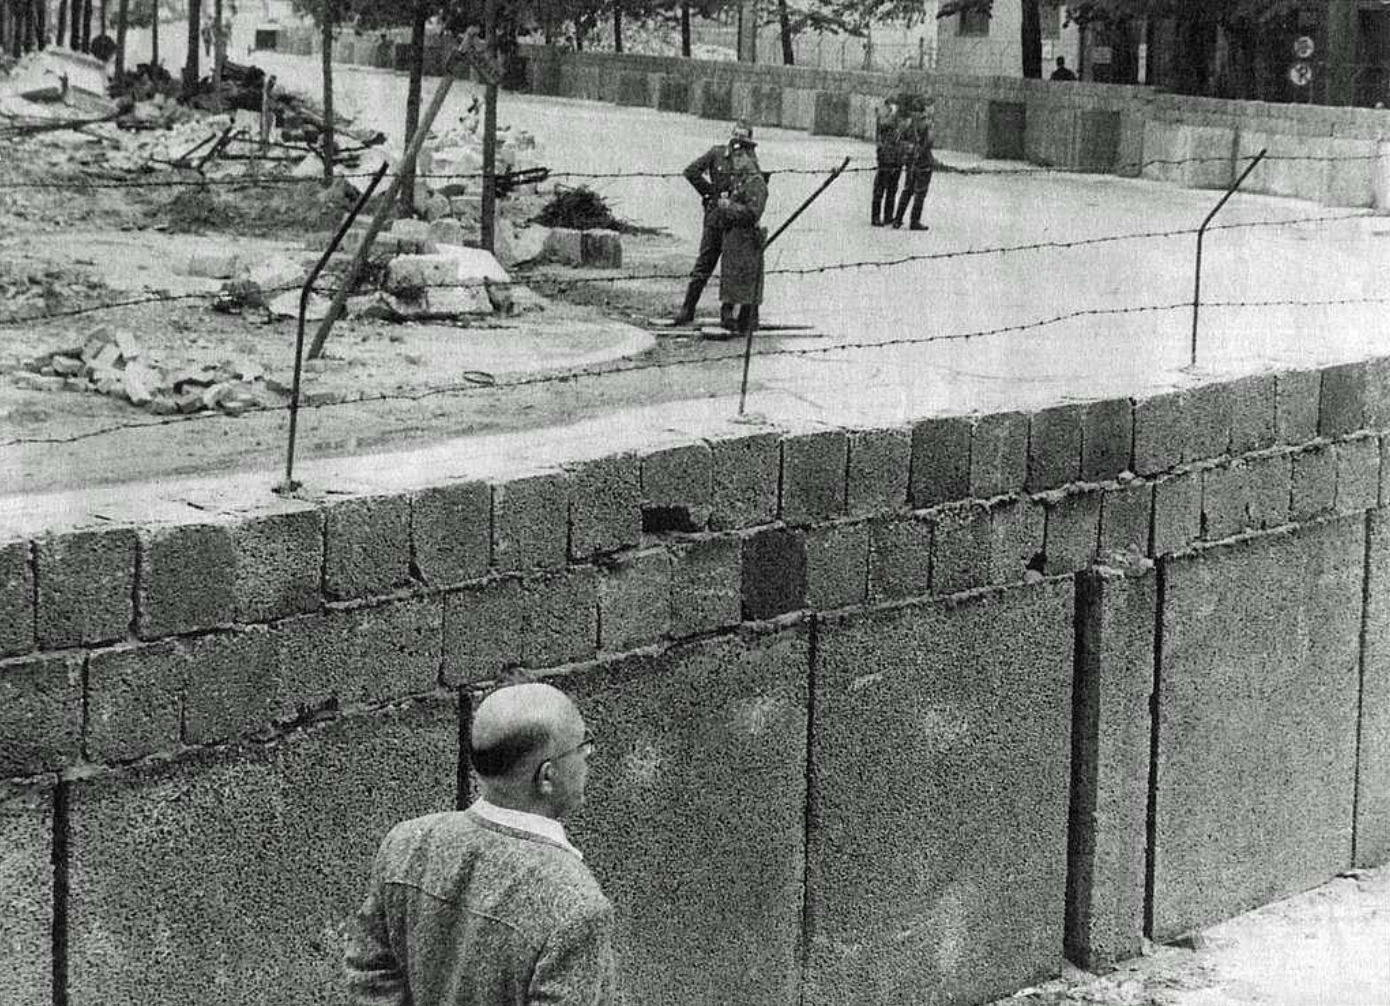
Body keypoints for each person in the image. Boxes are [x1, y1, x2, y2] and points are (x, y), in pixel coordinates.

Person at [344, 683, 615, 1006]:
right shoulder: (577, 907)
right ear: (547, 776)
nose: (588, 757)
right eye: (582, 746)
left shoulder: (406, 843)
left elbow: (370, 975)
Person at [673, 120, 758, 326]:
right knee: (704, 264)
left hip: (735, 223)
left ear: (749, 140)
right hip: (715, 219)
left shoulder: (750, 160)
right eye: (735, 135)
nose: (738, 141)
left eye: (743, 137)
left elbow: (755, 186)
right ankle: (688, 308)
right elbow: (691, 172)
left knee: (731, 268)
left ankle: (727, 313)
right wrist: (711, 193)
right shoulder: (717, 153)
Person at [715, 140, 768, 335]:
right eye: (734, 157)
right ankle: (729, 317)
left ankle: (746, 319)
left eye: (740, 157)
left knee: (747, 280)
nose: (735, 161)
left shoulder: (756, 182)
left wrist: (729, 207)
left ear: (750, 158)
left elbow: (753, 213)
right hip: (733, 238)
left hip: (747, 239)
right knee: (731, 278)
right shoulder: (740, 180)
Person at [892, 108, 935, 231]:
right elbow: (930, 141)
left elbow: (898, 139)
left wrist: (910, 150)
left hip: (911, 161)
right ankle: (914, 221)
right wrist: (921, 152)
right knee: (920, 193)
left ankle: (897, 219)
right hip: (923, 161)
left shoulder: (909, 123)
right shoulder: (927, 123)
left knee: (907, 190)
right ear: (925, 109)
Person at [871, 97, 903, 227]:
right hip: (885, 155)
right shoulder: (883, 114)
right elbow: (884, 124)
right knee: (880, 187)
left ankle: (888, 216)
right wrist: (893, 113)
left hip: (897, 156)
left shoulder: (899, 117)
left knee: (893, 188)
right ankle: (875, 217)